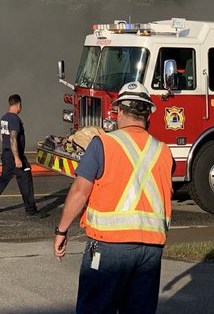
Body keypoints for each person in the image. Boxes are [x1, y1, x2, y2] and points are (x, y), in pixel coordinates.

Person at [52, 82, 173, 314]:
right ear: (148, 114)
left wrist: (62, 231)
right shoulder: (163, 151)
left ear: (118, 111)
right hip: (150, 249)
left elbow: (79, 191)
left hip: (109, 247)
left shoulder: (103, 144)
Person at [0, 93, 38, 218]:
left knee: (3, 179)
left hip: (6, 154)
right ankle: (31, 211)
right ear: (18, 104)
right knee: (25, 178)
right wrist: (17, 158)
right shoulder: (14, 119)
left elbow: (2, 136)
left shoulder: (4, 118)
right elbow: (13, 138)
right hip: (14, 154)